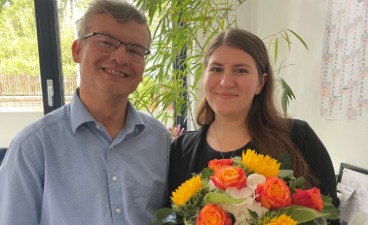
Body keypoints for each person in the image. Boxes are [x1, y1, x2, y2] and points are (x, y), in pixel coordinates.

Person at [0, 1, 171, 224]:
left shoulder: (159, 140)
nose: (120, 58)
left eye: (135, 50)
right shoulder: (33, 147)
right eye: (107, 43)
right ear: (77, 50)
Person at [168, 28, 340, 221]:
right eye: (216, 69)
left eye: (240, 70)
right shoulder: (181, 150)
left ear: (260, 82)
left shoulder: (299, 138)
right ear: (204, 74)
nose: (225, 82)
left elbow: (331, 217)